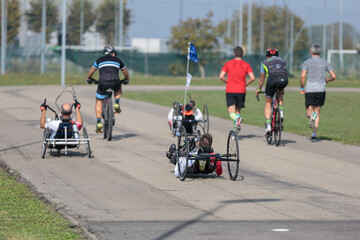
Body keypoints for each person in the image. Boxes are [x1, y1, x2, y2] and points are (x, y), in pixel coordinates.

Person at [86, 46, 130, 133]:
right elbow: (124, 71)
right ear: (113, 53)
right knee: (118, 89)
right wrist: (126, 79)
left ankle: (98, 122)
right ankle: (116, 102)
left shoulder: (99, 60)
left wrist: (89, 78)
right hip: (115, 81)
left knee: (99, 100)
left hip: (102, 83)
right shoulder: (118, 60)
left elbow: (92, 70)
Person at [300, 44, 336, 142]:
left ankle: (312, 117)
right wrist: (327, 80)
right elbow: (333, 76)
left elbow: (303, 76)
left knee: (309, 112)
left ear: (311, 52)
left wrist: (302, 87)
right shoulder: (325, 62)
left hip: (310, 89)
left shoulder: (306, 62)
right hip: (321, 89)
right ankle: (314, 135)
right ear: (319, 52)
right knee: (317, 111)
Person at [219, 46, 255, 133]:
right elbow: (252, 78)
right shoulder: (246, 65)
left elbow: (221, 76)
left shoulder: (228, 63)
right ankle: (235, 133)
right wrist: (245, 84)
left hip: (230, 89)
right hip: (241, 90)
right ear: (242, 54)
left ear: (234, 54)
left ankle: (237, 119)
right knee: (238, 110)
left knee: (232, 112)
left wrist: (227, 82)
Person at [256, 48, 288, 136]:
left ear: (267, 55)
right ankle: (281, 111)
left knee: (268, 102)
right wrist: (282, 88)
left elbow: (262, 79)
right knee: (280, 92)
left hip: (272, 79)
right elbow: (284, 72)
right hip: (283, 79)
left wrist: (259, 89)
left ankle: (268, 125)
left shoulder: (264, 62)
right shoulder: (282, 61)